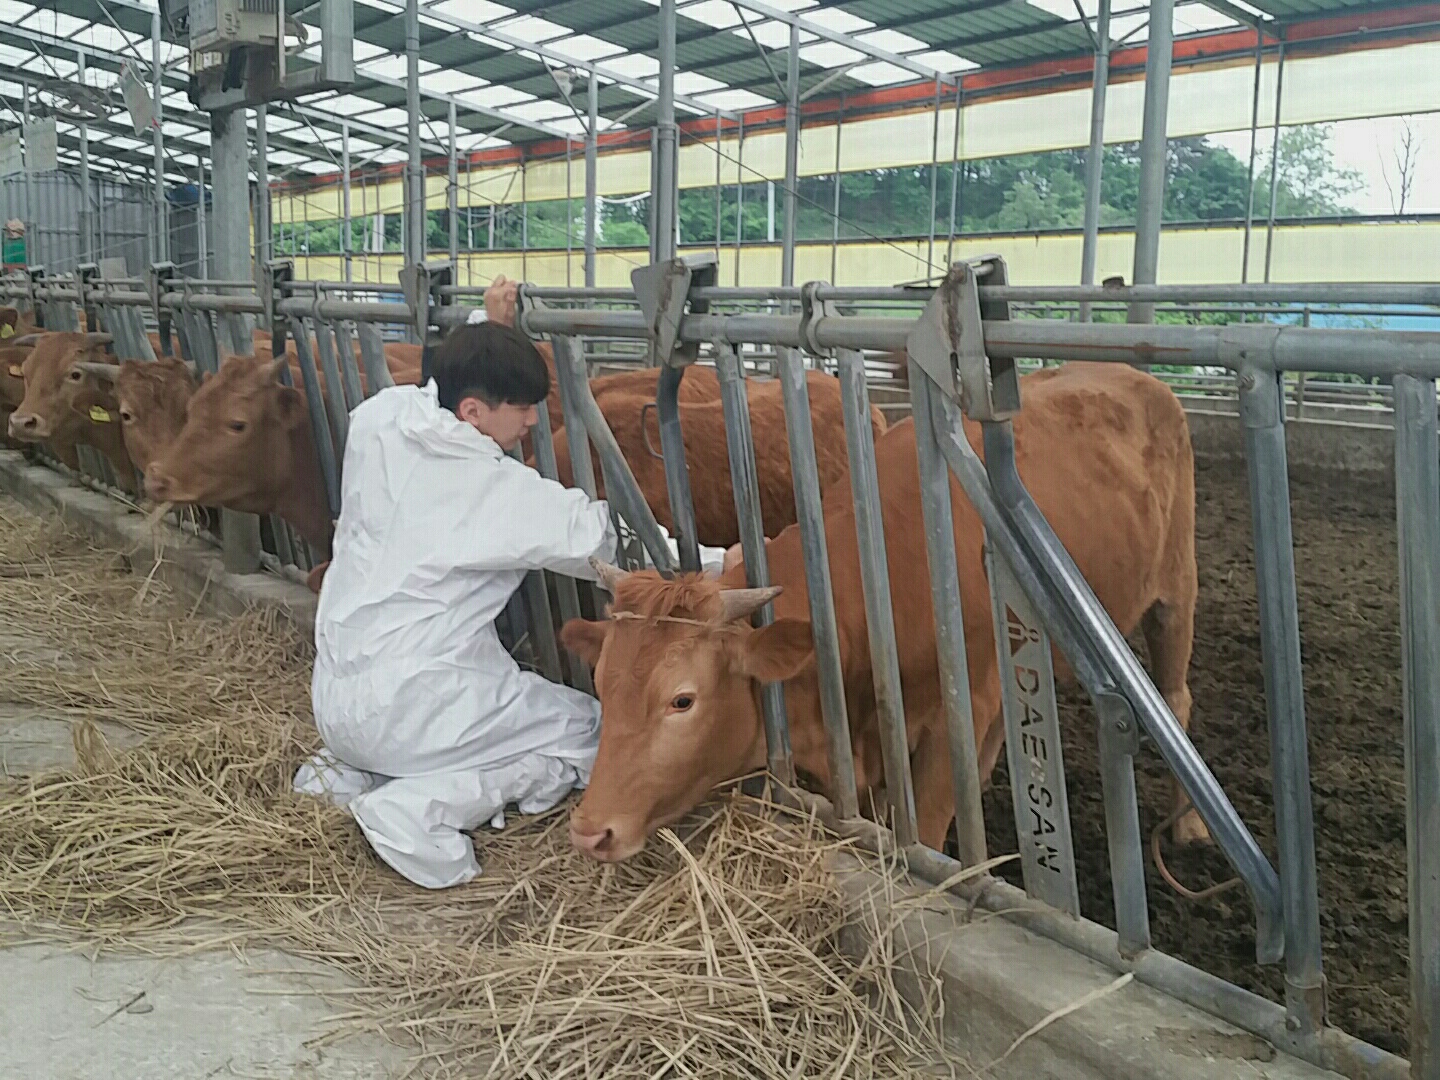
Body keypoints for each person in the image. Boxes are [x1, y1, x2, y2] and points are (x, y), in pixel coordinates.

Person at [295, 301, 722, 888]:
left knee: (417, 727)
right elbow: (609, 542)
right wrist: (724, 564)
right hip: (416, 706)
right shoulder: (493, 491)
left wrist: (490, 317)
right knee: (585, 733)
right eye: (522, 411)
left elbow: (451, 367)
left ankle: (346, 775)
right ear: (472, 412)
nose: (531, 424)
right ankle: (416, 809)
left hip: (336, 700)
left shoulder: (379, 418)